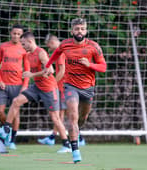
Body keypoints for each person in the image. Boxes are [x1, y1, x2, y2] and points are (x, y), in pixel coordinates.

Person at [0, 32, 71, 153]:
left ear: (30, 41)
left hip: (49, 89)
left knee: (55, 118)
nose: (23, 46)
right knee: (16, 101)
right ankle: (6, 129)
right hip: (37, 87)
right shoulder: (28, 54)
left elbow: (50, 70)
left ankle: (66, 145)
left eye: (23, 44)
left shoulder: (41, 53)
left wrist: (32, 75)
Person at [44, 18, 107, 163]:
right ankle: (75, 150)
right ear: (72, 30)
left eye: (82, 29)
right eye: (77, 29)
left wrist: (90, 65)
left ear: (86, 30)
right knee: (73, 117)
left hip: (88, 88)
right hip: (70, 86)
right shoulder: (65, 44)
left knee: (82, 118)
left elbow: (103, 67)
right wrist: (48, 65)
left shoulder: (94, 47)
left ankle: (77, 134)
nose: (80, 31)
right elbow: (56, 54)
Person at [38, 34, 86, 147]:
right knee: (61, 114)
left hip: (65, 87)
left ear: (53, 42)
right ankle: (53, 137)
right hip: (66, 86)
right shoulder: (64, 51)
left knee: (65, 114)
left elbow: (62, 71)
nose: (48, 48)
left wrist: (53, 83)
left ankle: (79, 137)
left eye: (48, 46)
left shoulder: (61, 53)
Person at [0, 24, 29, 149]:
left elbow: (27, 69)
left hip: (17, 85)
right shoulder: (3, 46)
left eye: (19, 34)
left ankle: (12, 140)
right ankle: (6, 130)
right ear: (10, 33)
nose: (16, 36)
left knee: (16, 113)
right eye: (14, 33)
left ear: (21, 36)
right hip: (3, 85)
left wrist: (25, 85)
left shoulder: (24, 49)